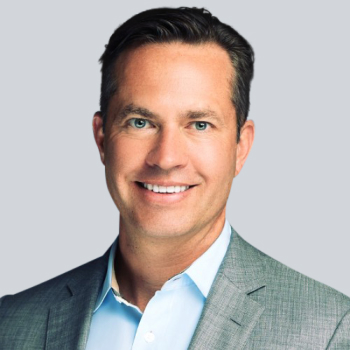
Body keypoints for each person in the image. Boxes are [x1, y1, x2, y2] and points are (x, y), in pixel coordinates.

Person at [0, 6, 349, 349]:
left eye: (199, 125)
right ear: (102, 138)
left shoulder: (328, 330)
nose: (166, 159)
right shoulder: (12, 324)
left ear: (240, 147)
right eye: (140, 122)